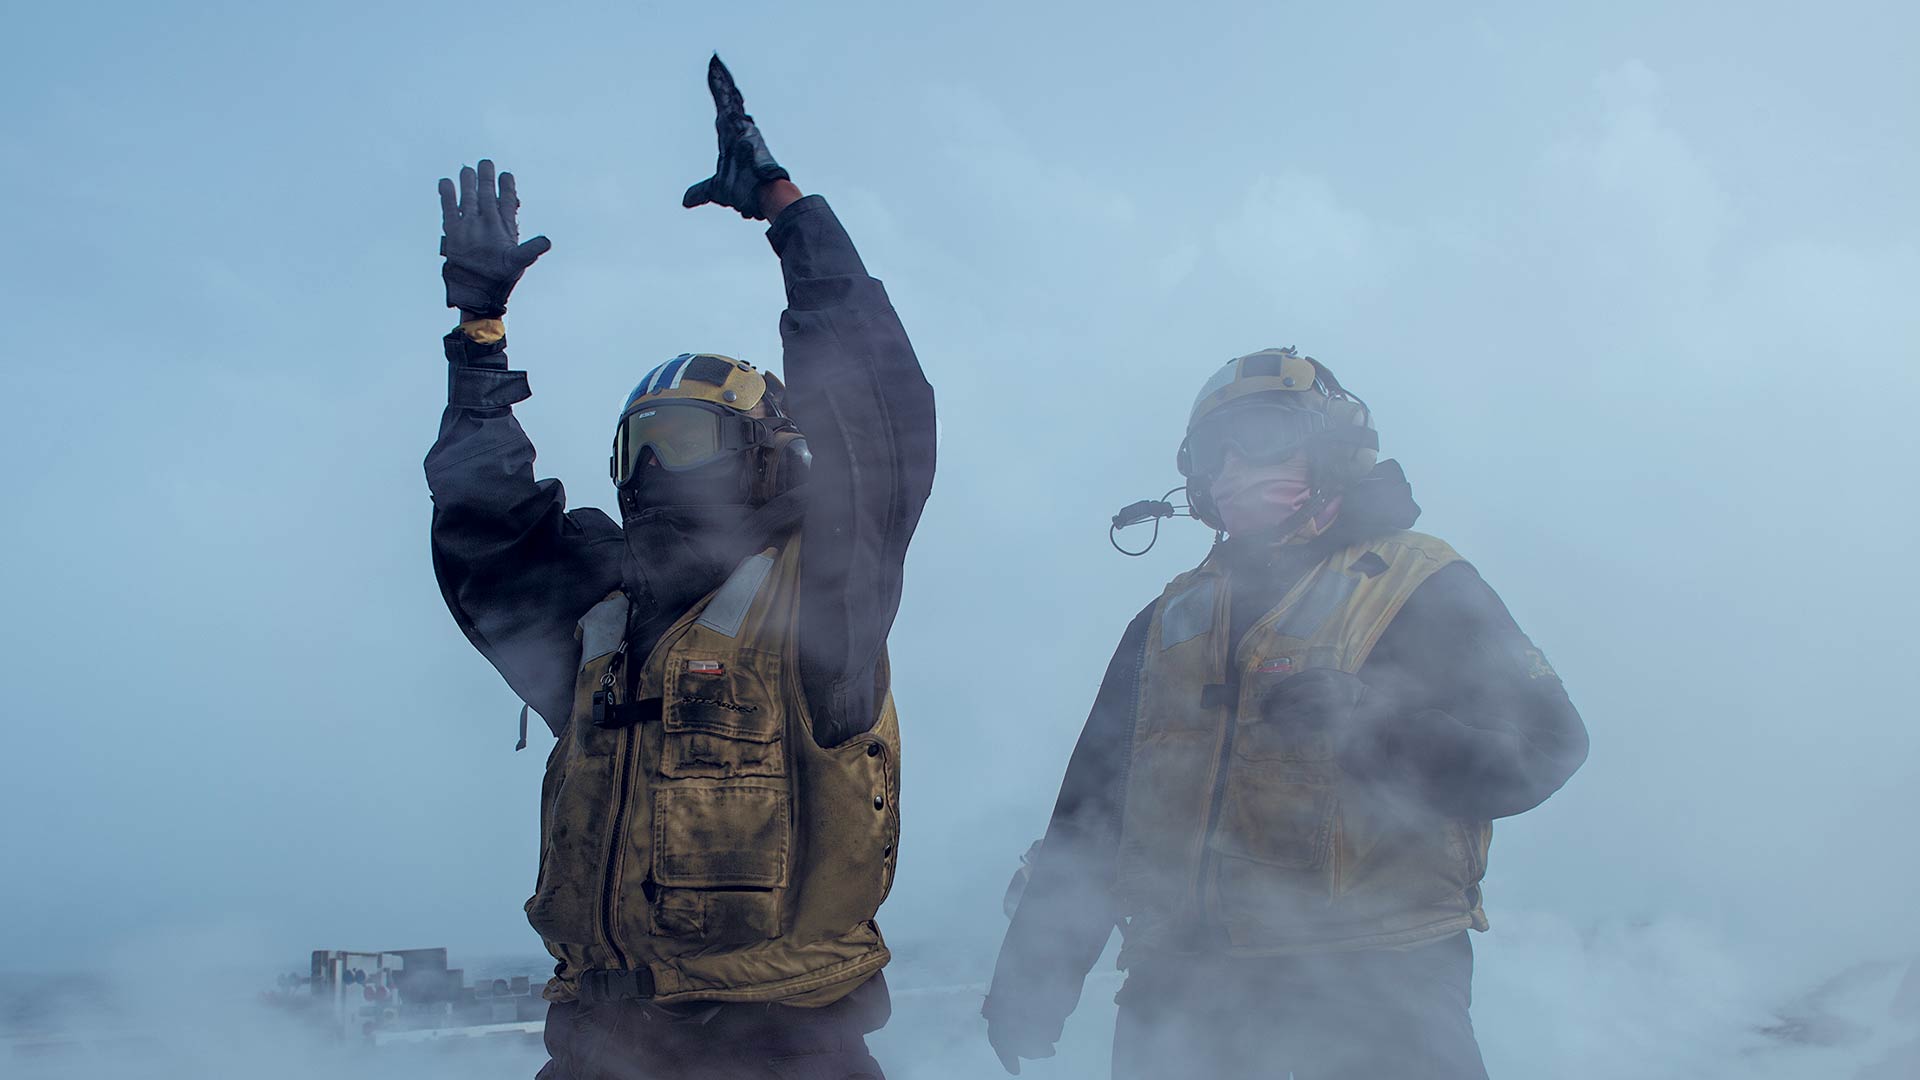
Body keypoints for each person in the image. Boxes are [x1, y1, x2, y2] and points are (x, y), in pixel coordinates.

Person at [425, 57, 935, 1080]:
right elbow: (487, 533)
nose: (655, 470)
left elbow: (879, 417)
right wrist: (480, 344)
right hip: (599, 1050)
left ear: (764, 457)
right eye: (635, 445)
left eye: (688, 442)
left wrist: (789, 214)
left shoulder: (821, 598)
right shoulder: (599, 622)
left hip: (785, 1050)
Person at [983, 348, 1588, 1078]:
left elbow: (1550, 746)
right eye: (1214, 450)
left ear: (1331, 446)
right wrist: (1035, 976)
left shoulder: (1424, 585)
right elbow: (1094, 807)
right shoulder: (1170, 618)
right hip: (1182, 989)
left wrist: (1376, 730)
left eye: (1263, 437)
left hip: (1380, 987)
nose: (1233, 466)